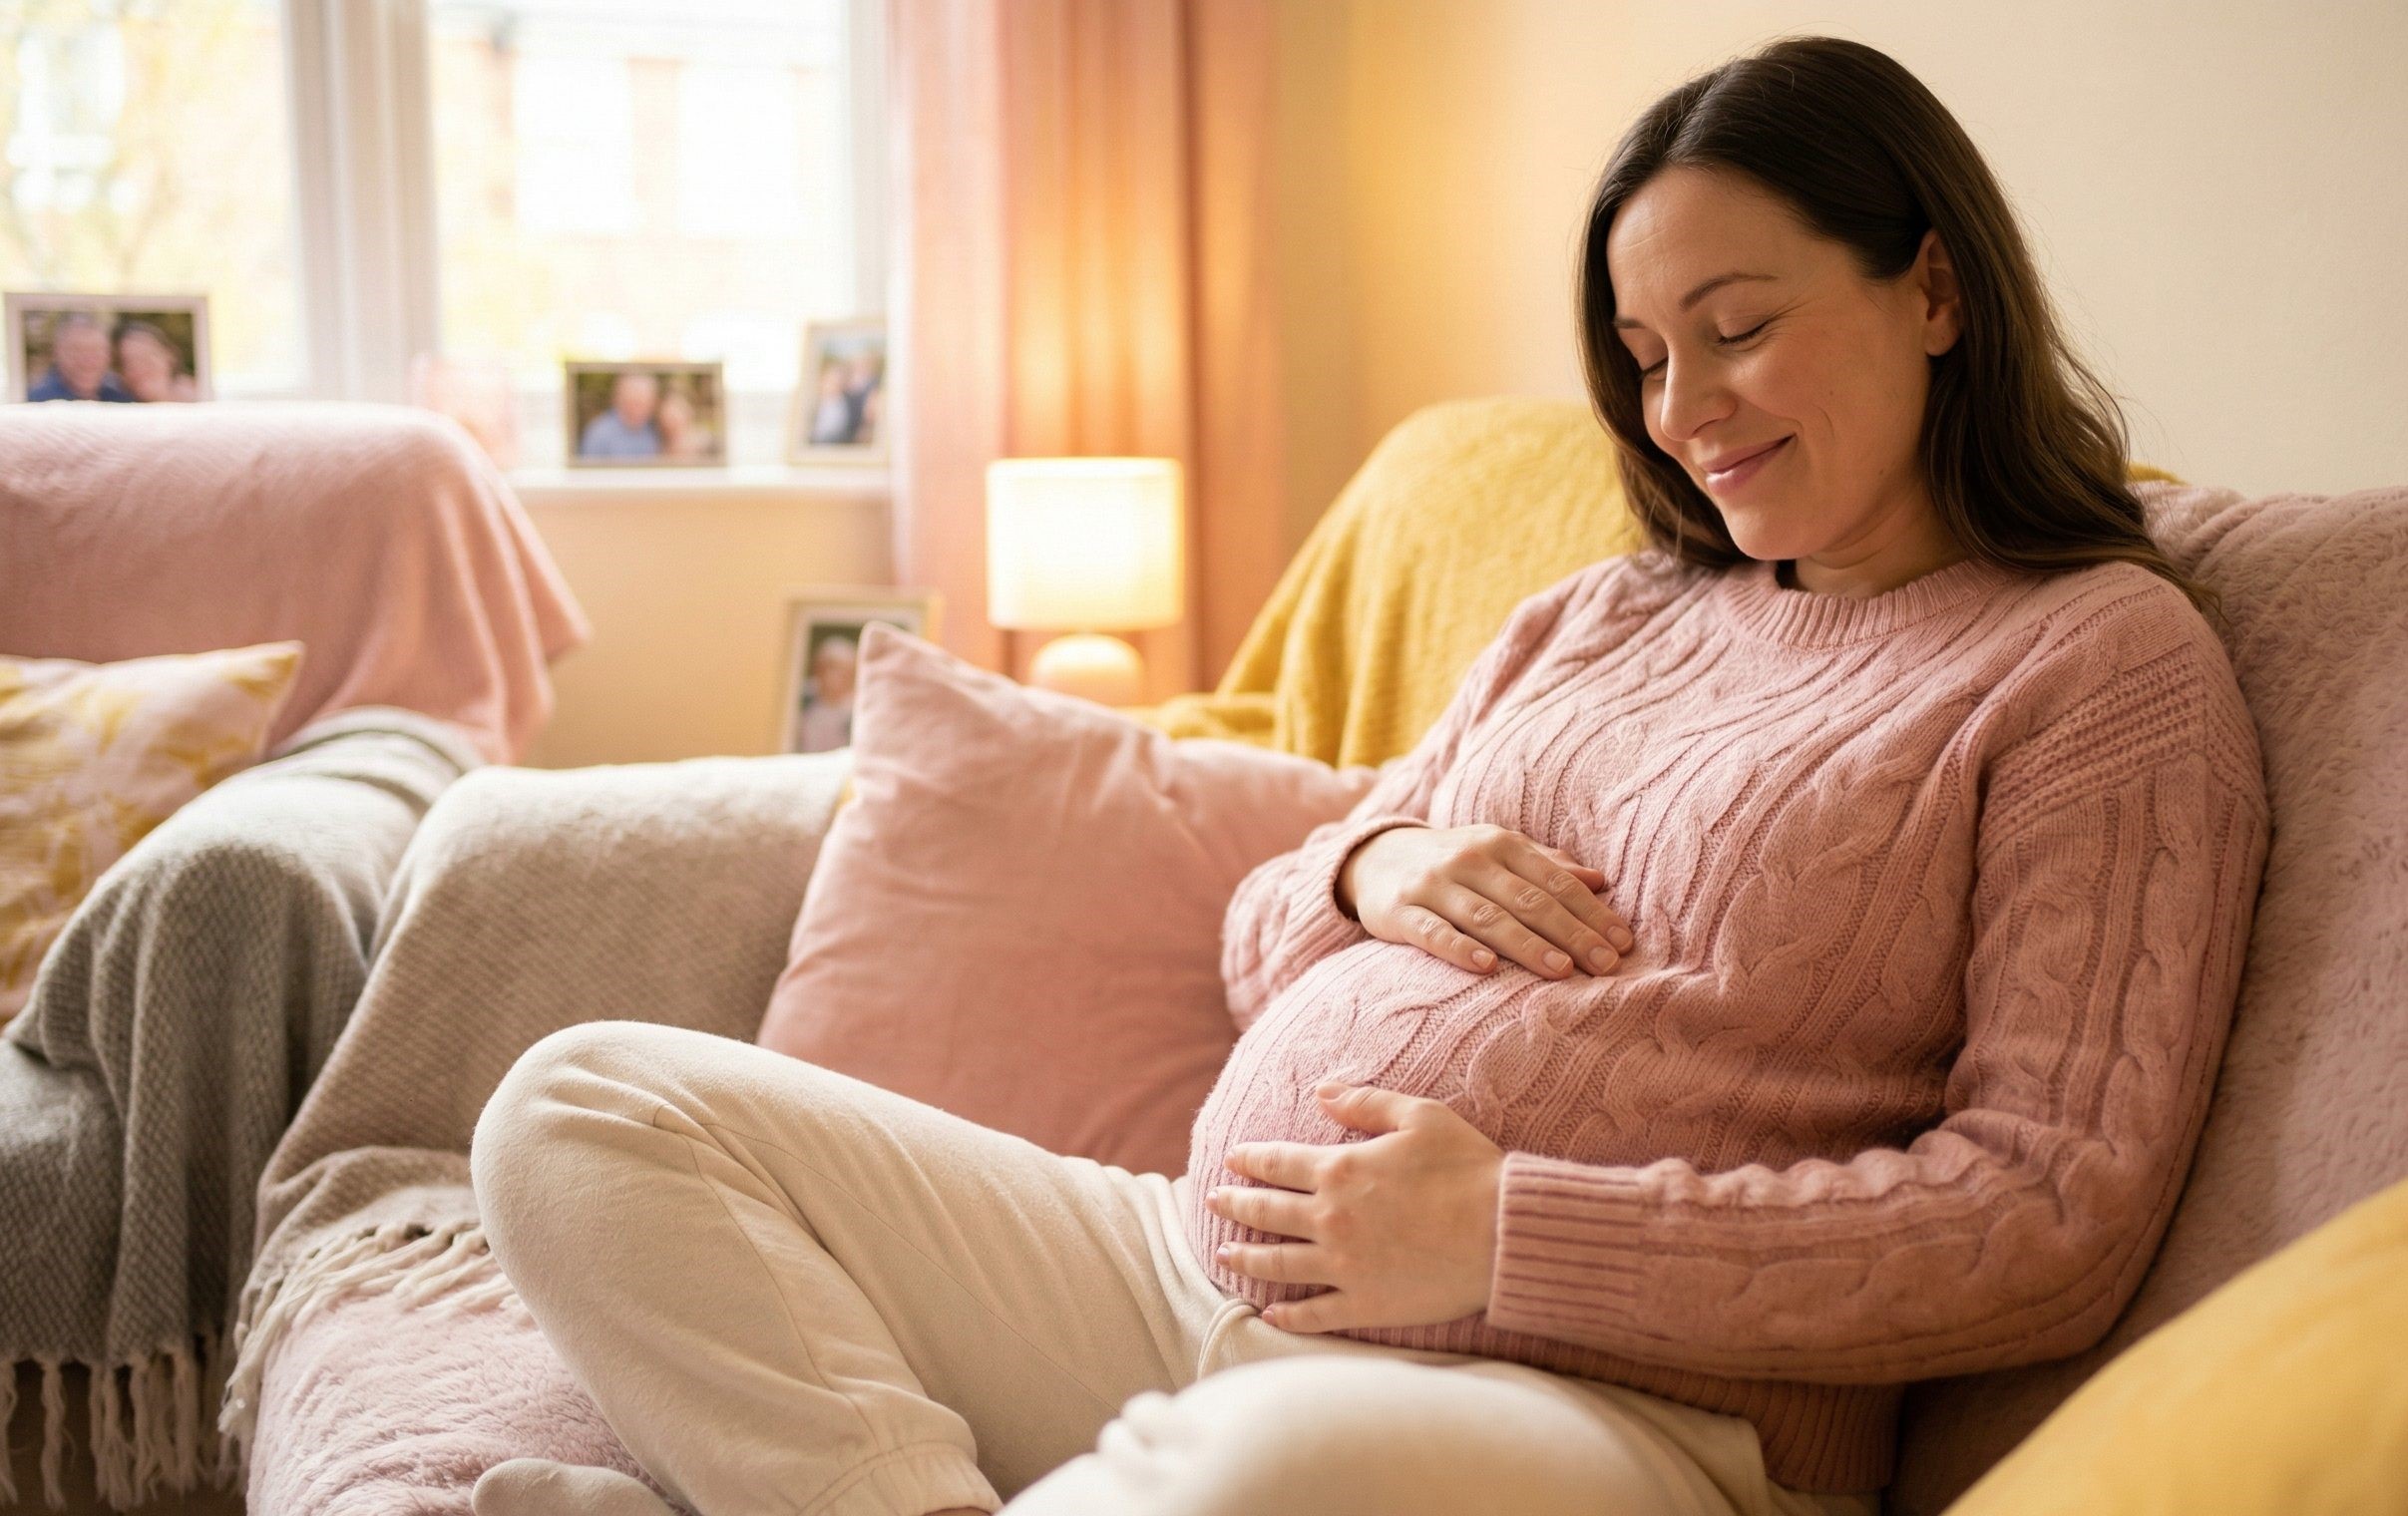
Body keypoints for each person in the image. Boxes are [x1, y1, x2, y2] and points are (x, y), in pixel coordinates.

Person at [465, 35, 2268, 1516]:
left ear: (1931, 287)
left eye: (1734, 329)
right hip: (1182, 1262)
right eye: (1642, 358)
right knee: (582, 1107)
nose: (1679, 413)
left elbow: (2044, 1214)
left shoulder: (2092, 668)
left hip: (1615, 1407)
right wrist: (1368, 868)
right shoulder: (1603, 614)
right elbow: (1256, 935)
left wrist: (1507, 1240)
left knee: (1251, 1480)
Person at [26, 312, 133, 402]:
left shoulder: (120, 399)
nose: (87, 361)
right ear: (56, 354)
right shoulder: (35, 402)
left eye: (96, 351)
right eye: (76, 350)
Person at [579, 370, 662, 459]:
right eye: (634, 399)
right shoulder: (598, 434)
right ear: (618, 398)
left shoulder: (653, 431)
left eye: (645, 401)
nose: (639, 407)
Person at [112, 319, 200, 402]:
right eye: (129, 363)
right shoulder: (120, 405)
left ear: (170, 356)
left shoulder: (200, 396)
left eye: (146, 358)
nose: (140, 369)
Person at [655, 384, 717, 463]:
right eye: (667, 409)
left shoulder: (706, 443)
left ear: (690, 410)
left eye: (677, 408)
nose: (671, 414)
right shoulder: (658, 443)